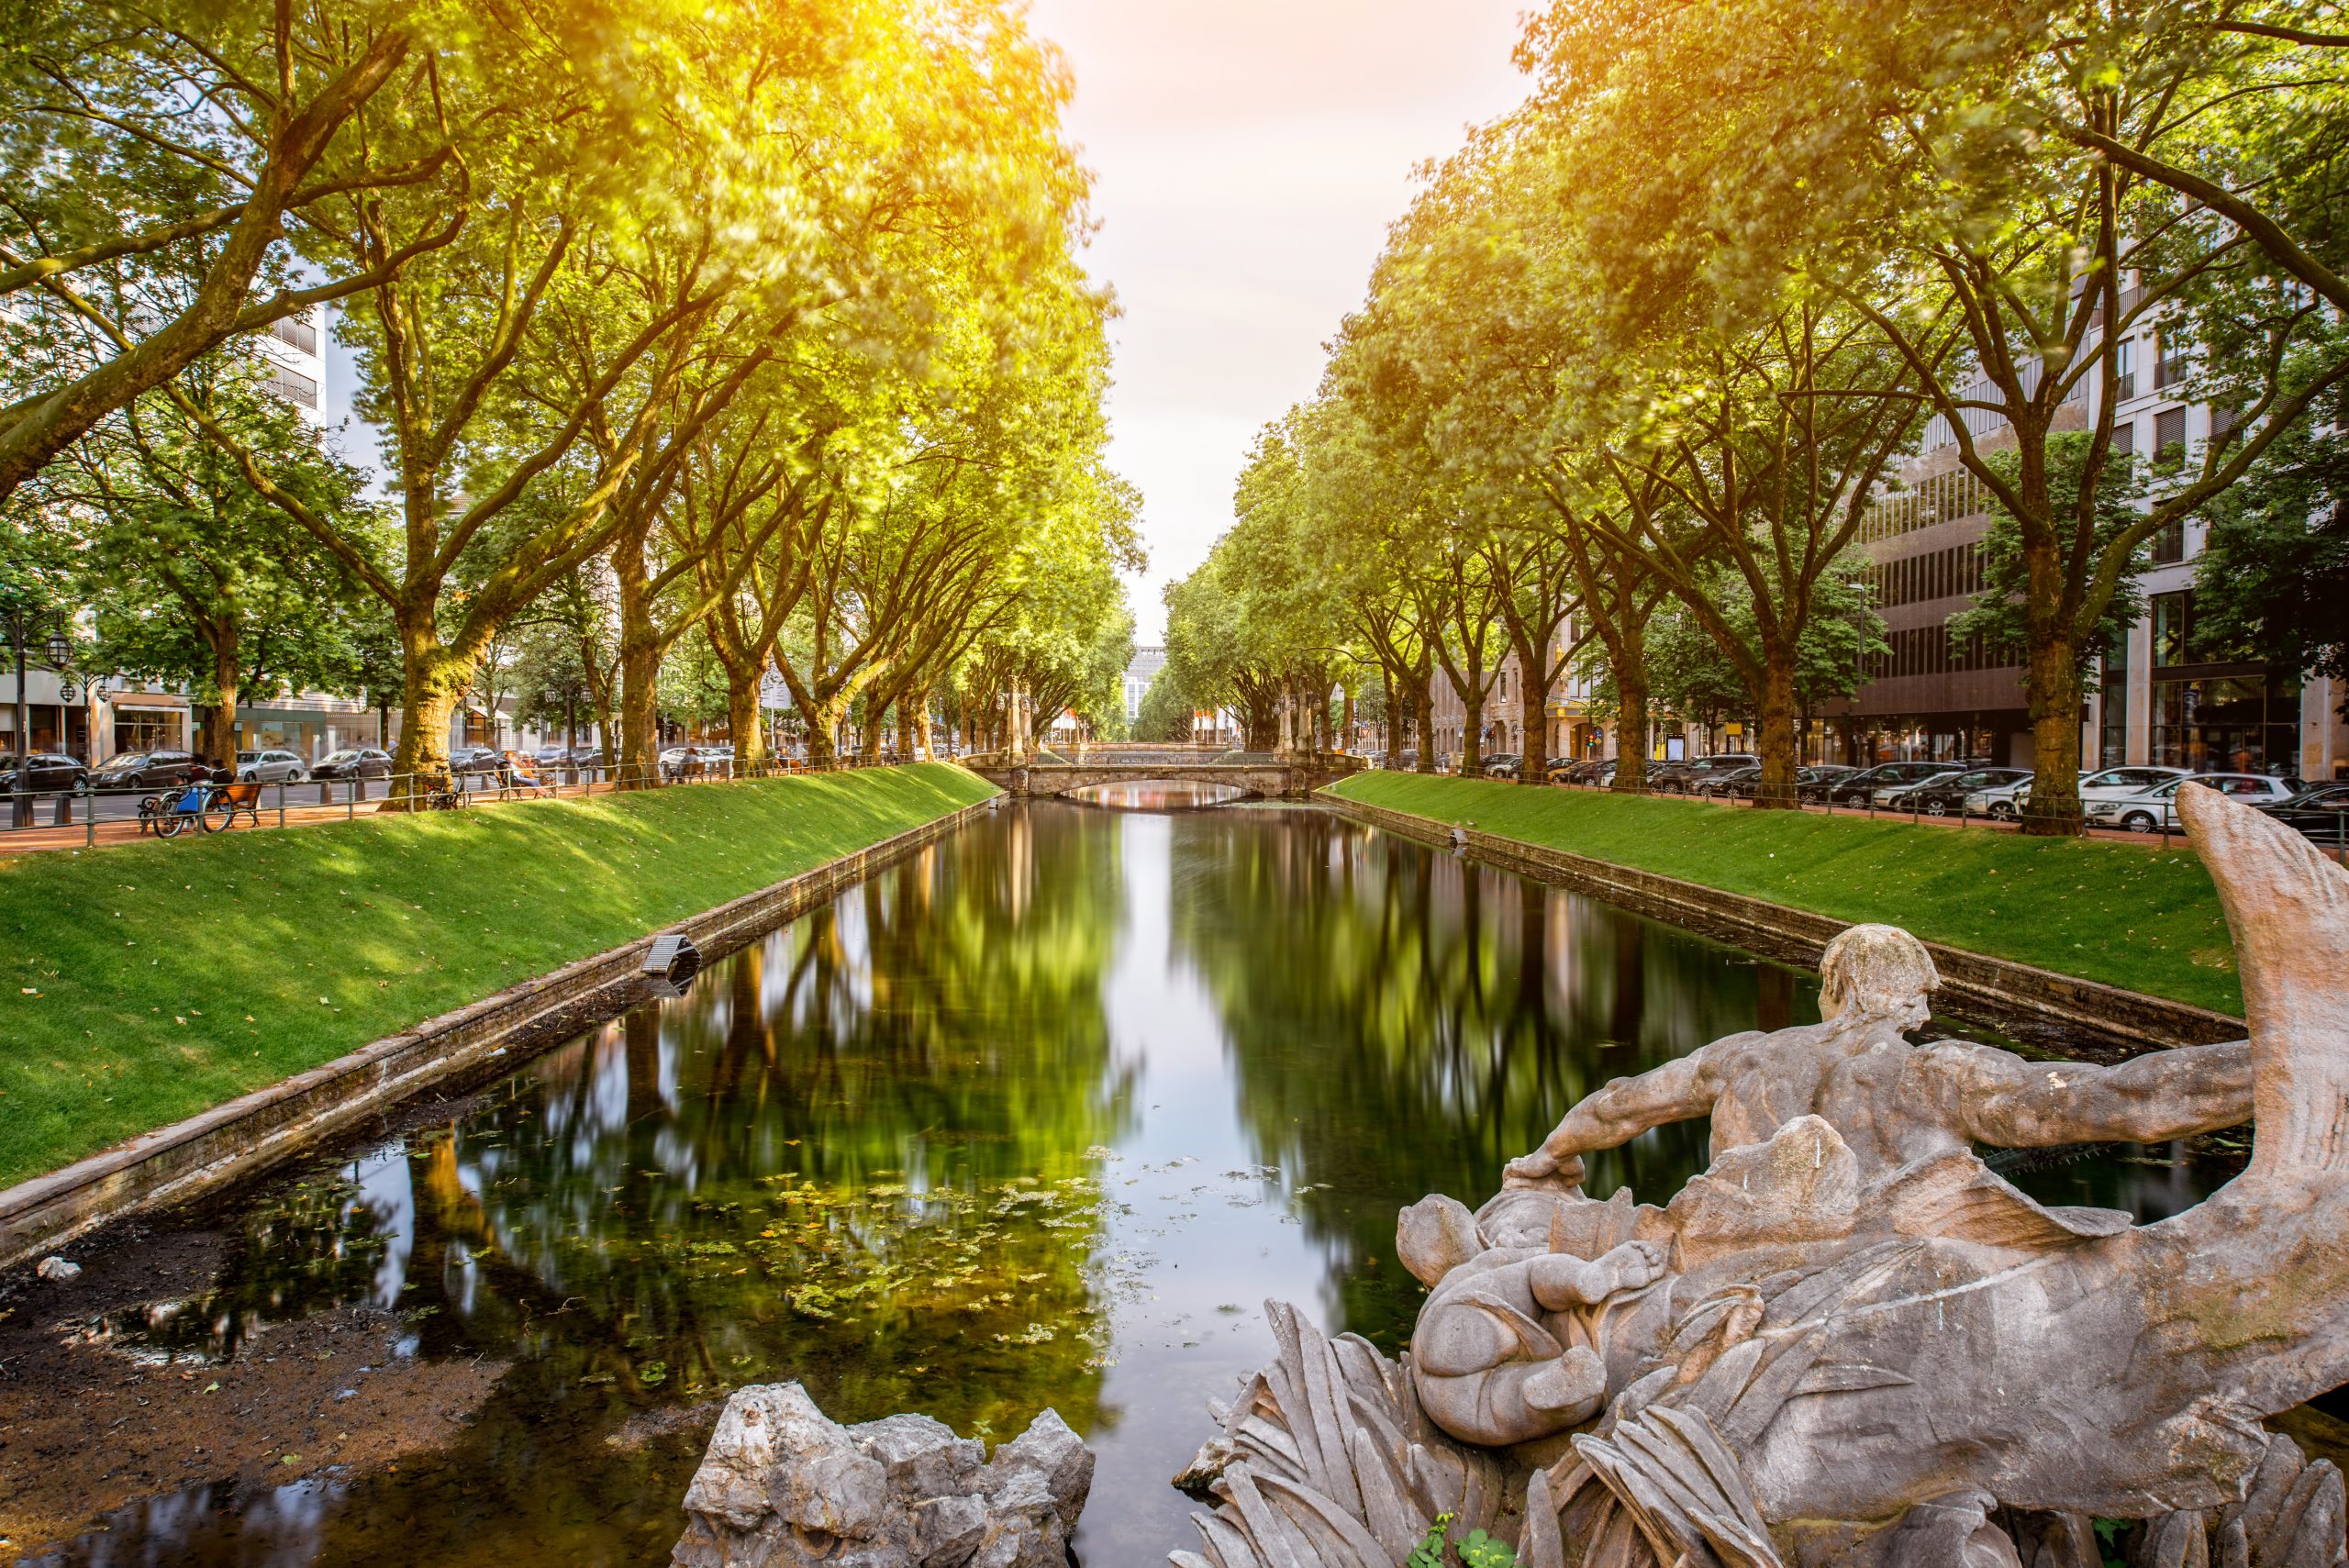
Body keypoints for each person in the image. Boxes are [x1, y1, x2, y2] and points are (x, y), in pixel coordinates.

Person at [1504, 923, 2252, 1192]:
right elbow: (2121, 1098)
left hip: (1730, 1277)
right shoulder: (1939, 1073)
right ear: (1916, 1003)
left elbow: (1621, 1102)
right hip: (1865, 1294)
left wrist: (1549, 1154)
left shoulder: (1743, 1057)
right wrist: (2272, 1067)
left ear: (1833, 986)